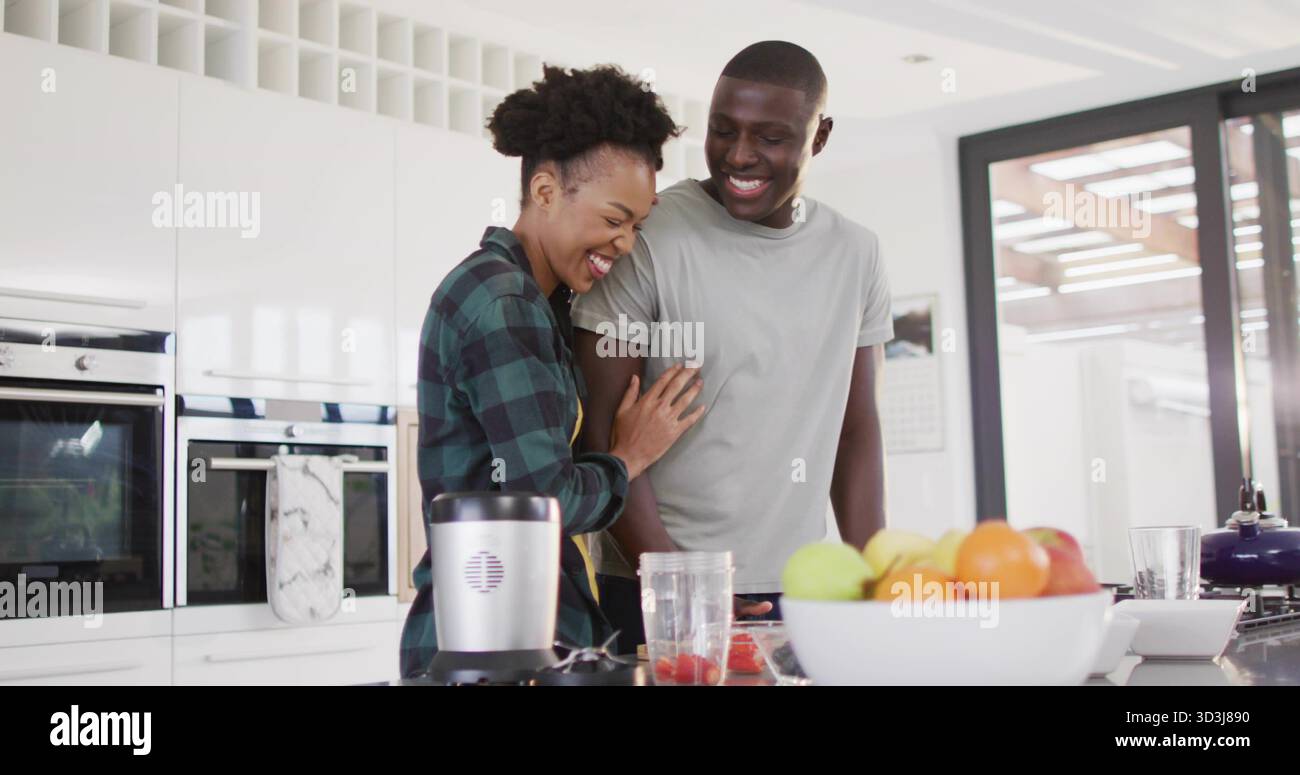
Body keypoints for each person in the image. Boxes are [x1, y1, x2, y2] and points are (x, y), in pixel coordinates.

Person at [572, 41, 893, 655]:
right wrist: (683, 589)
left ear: (818, 136)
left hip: (801, 590)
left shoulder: (857, 254)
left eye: (770, 137)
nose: (739, 156)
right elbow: (603, 436)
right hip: (653, 589)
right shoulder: (648, 234)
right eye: (723, 131)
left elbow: (857, 431)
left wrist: (875, 577)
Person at [399, 64, 705, 678]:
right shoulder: (505, 306)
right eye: (613, 220)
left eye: (636, 228)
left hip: (507, 629)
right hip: (495, 640)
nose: (623, 245)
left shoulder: (533, 299)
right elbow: (544, 501)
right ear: (544, 192)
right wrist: (629, 456)